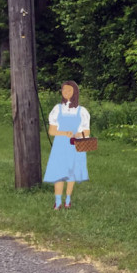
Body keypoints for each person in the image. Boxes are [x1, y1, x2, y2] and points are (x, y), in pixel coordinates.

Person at [43, 81, 90, 210]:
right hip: (60, 145)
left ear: (75, 92)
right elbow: (52, 131)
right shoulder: (57, 109)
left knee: (72, 172)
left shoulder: (82, 111)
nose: (66, 93)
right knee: (59, 172)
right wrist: (64, 133)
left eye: (69, 90)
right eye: (64, 90)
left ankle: (68, 199)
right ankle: (57, 201)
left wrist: (78, 134)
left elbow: (86, 131)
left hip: (75, 145)